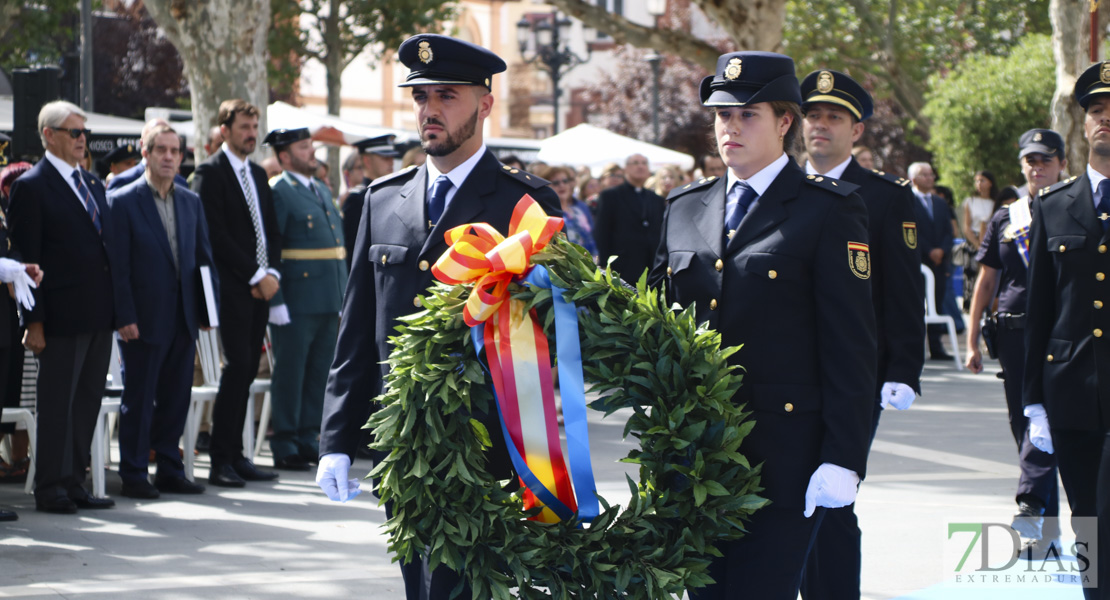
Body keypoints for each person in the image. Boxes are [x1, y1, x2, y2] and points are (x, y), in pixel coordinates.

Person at [314, 33, 560, 599]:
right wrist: (337, 438)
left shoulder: (525, 204)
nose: (429, 109)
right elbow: (357, 329)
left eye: (446, 95)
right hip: (405, 445)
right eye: (421, 96)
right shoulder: (381, 200)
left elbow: (549, 326)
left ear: (485, 104)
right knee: (420, 588)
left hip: (489, 442)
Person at [649, 51, 876, 600]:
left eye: (748, 114)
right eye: (723, 115)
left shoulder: (826, 209)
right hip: (695, 457)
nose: (731, 126)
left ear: (784, 122)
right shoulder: (684, 207)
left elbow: (852, 345)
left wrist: (845, 457)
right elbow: (651, 319)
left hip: (785, 458)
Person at [797, 69, 925, 600]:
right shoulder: (781, 188)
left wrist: (903, 370)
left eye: (835, 117)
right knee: (790, 501)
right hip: (787, 371)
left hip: (854, 374)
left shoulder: (887, 198)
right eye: (813, 115)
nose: (821, 125)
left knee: (833, 498)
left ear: (858, 132)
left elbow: (902, 293)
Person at [1024, 61, 1110, 600]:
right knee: (1088, 525)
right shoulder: (1055, 206)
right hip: (1073, 393)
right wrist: (1034, 401)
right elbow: (1039, 310)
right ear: (1082, 125)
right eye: (1096, 111)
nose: (1104, 120)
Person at [8, 100, 119, 514]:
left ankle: (74, 481)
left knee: (86, 401)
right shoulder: (31, 186)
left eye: (84, 133)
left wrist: (118, 312)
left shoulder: (91, 184)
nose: (82, 140)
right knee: (56, 404)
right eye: (74, 133)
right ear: (48, 135)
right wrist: (32, 321)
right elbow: (25, 261)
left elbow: (107, 252)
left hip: (97, 314)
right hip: (58, 317)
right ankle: (50, 486)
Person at [966, 129, 1067, 557]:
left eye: (1044, 159)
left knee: (1042, 420)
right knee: (1023, 426)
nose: (1037, 167)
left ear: (1061, 162)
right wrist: (970, 339)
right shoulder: (1008, 217)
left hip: (1058, 335)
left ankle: (1028, 503)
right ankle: (1048, 532)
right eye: (1030, 160)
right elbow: (987, 278)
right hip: (1011, 333)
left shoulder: (1071, 209)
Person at [108, 123, 215, 499]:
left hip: (184, 317)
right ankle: (134, 473)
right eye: (161, 150)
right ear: (146, 153)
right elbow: (117, 267)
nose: (169, 157)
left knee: (176, 398)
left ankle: (170, 468)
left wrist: (206, 311)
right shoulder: (121, 200)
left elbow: (204, 259)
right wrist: (123, 316)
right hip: (142, 318)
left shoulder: (191, 201)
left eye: (175, 151)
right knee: (139, 399)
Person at [191, 99, 282, 488]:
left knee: (246, 370)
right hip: (231, 287)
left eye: (254, 125)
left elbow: (270, 230)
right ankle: (220, 460)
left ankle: (238, 454)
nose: (251, 133)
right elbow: (215, 234)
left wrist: (273, 272)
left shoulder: (259, 174)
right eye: (244, 125)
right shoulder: (208, 173)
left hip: (262, 287)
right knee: (237, 367)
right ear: (224, 129)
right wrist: (255, 274)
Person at [264, 127, 346, 471]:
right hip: (296, 299)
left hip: (329, 296)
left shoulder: (321, 190)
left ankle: (309, 436)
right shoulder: (279, 191)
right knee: (291, 372)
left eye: (310, 145)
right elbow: (271, 249)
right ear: (284, 156)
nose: (311, 151)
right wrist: (276, 300)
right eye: (303, 147)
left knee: (319, 373)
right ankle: (284, 441)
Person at [909, 161, 957, 359]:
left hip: (939, 263)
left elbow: (948, 230)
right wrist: (928, 250)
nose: (930, 178)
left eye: (931, 174)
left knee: (937, 302)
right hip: (917, 261)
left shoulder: (939, 202)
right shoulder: (907, 200)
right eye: (925, 175)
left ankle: (936, 347)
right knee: (916, 304)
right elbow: (909, 231)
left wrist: (942, 251)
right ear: (914, 179)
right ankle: (915, 348)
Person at [593, 153, 665, 283]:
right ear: (626, 169)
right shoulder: (610, 196)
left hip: (652, 267)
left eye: (644, 163)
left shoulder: (656, 199)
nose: (640, 166)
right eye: (635, 163)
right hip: (622, 266)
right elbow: (602, 231)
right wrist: (604, 263)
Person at [341, 134, 398, 271]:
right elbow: (354, 250)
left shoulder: (396, 193)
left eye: (391, 157)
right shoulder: (357, 199)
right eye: (385, 158)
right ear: (367, 160)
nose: (391, 162)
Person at [107, 119, 188, 191]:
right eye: (161, 149)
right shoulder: (123, 181)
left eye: (173, 151)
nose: (168, 157)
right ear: (143, 146)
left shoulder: (181, 183)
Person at [542, 164, 597, 258]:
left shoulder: (581, 208)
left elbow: (593, 236)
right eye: (555, 183)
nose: (562, 185)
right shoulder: (545, 215)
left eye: (565, 181)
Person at [963, 171, 998, 249]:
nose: (979, 183)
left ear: (990, 183)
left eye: (982, 180)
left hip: (992, 241)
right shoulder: (970, 201)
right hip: (975, 242)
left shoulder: (996, 202)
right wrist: (977, 245)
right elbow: (967, 227)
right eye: (977, 181)